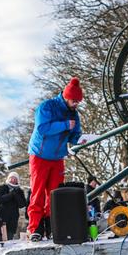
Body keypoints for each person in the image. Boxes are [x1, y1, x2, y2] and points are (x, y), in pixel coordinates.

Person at [26, 77, 83, 241]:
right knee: (38, 192)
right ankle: (35, 227)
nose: (75, 104)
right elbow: (43, 128)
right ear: (66, 97)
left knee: (55, 194)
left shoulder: (74, 114)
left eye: (78, 101)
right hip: (40, 155)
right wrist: (65, 125)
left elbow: (74, 135)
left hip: (57, 157)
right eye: (73, 101)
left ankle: (53, 226)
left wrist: (80, 139)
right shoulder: (47, 107)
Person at [0, 172, 27, 240]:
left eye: (15, 178)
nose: (12, 180)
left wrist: (16, 195)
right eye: (11, 178)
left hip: (13, 216)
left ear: (17, 180)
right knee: (1, 233)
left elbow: (22, 204)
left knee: (10, 234)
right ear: (8, 179)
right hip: (2, 214)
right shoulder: (3, 187)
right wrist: (11, 194)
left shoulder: (19, 191)